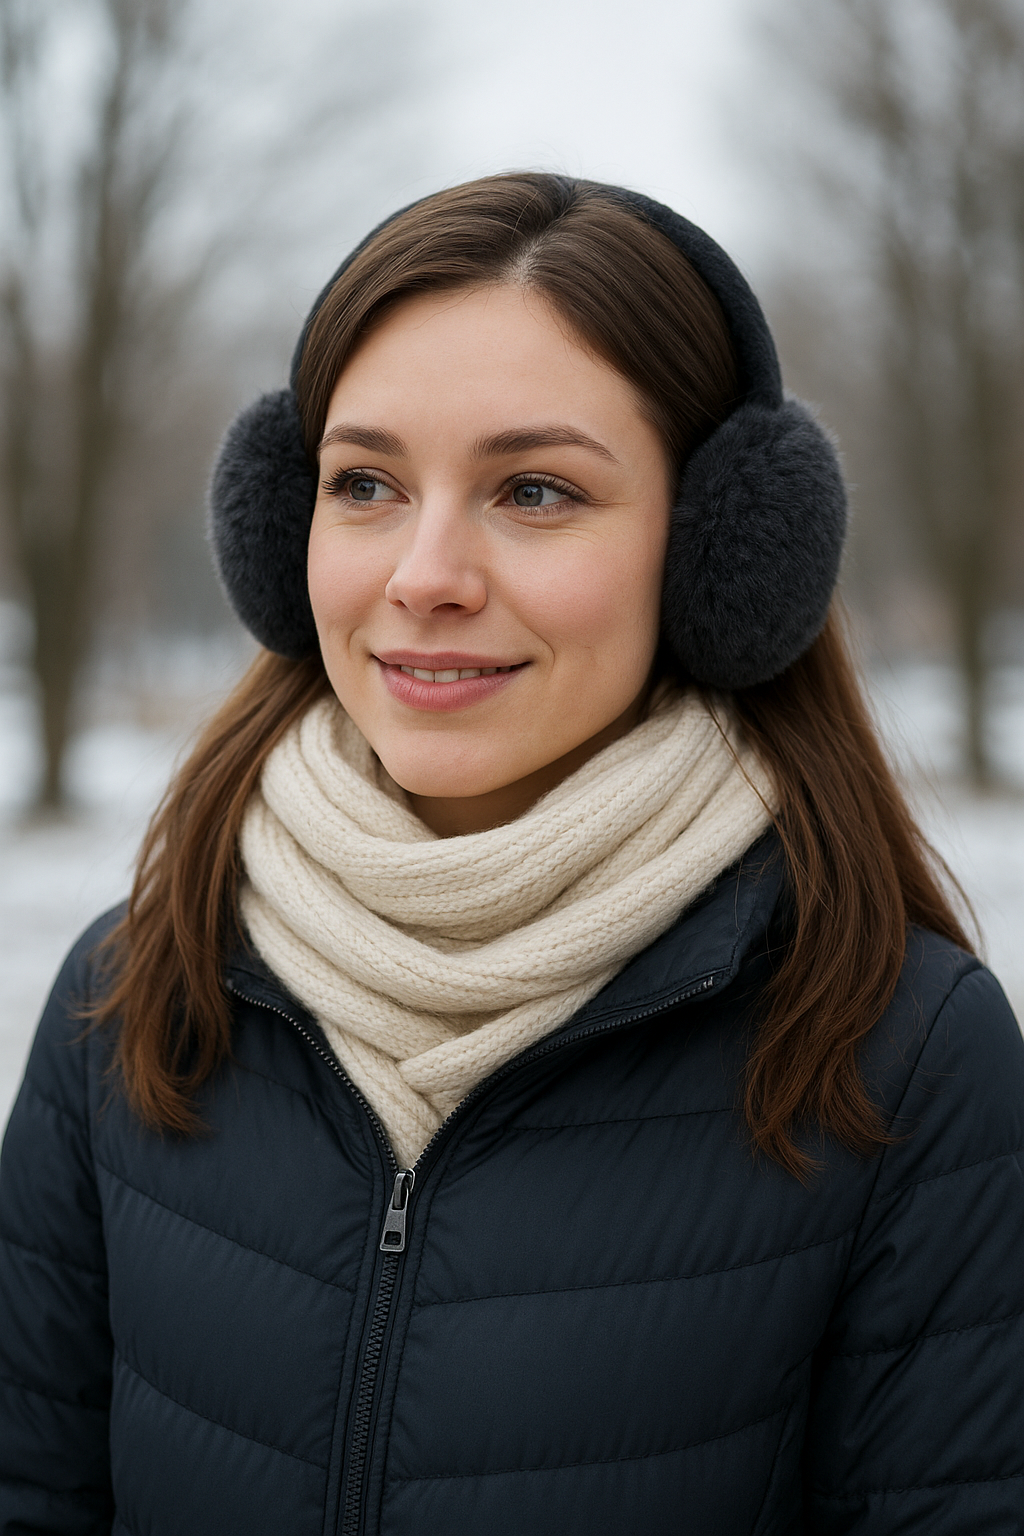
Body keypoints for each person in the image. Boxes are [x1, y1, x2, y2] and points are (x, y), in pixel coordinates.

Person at [1, 173, 1022, 1536]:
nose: (424, 574)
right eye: (364, 484)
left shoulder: (907, 1062)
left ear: (722, 555)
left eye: (534, 490)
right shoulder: (127, 1001)